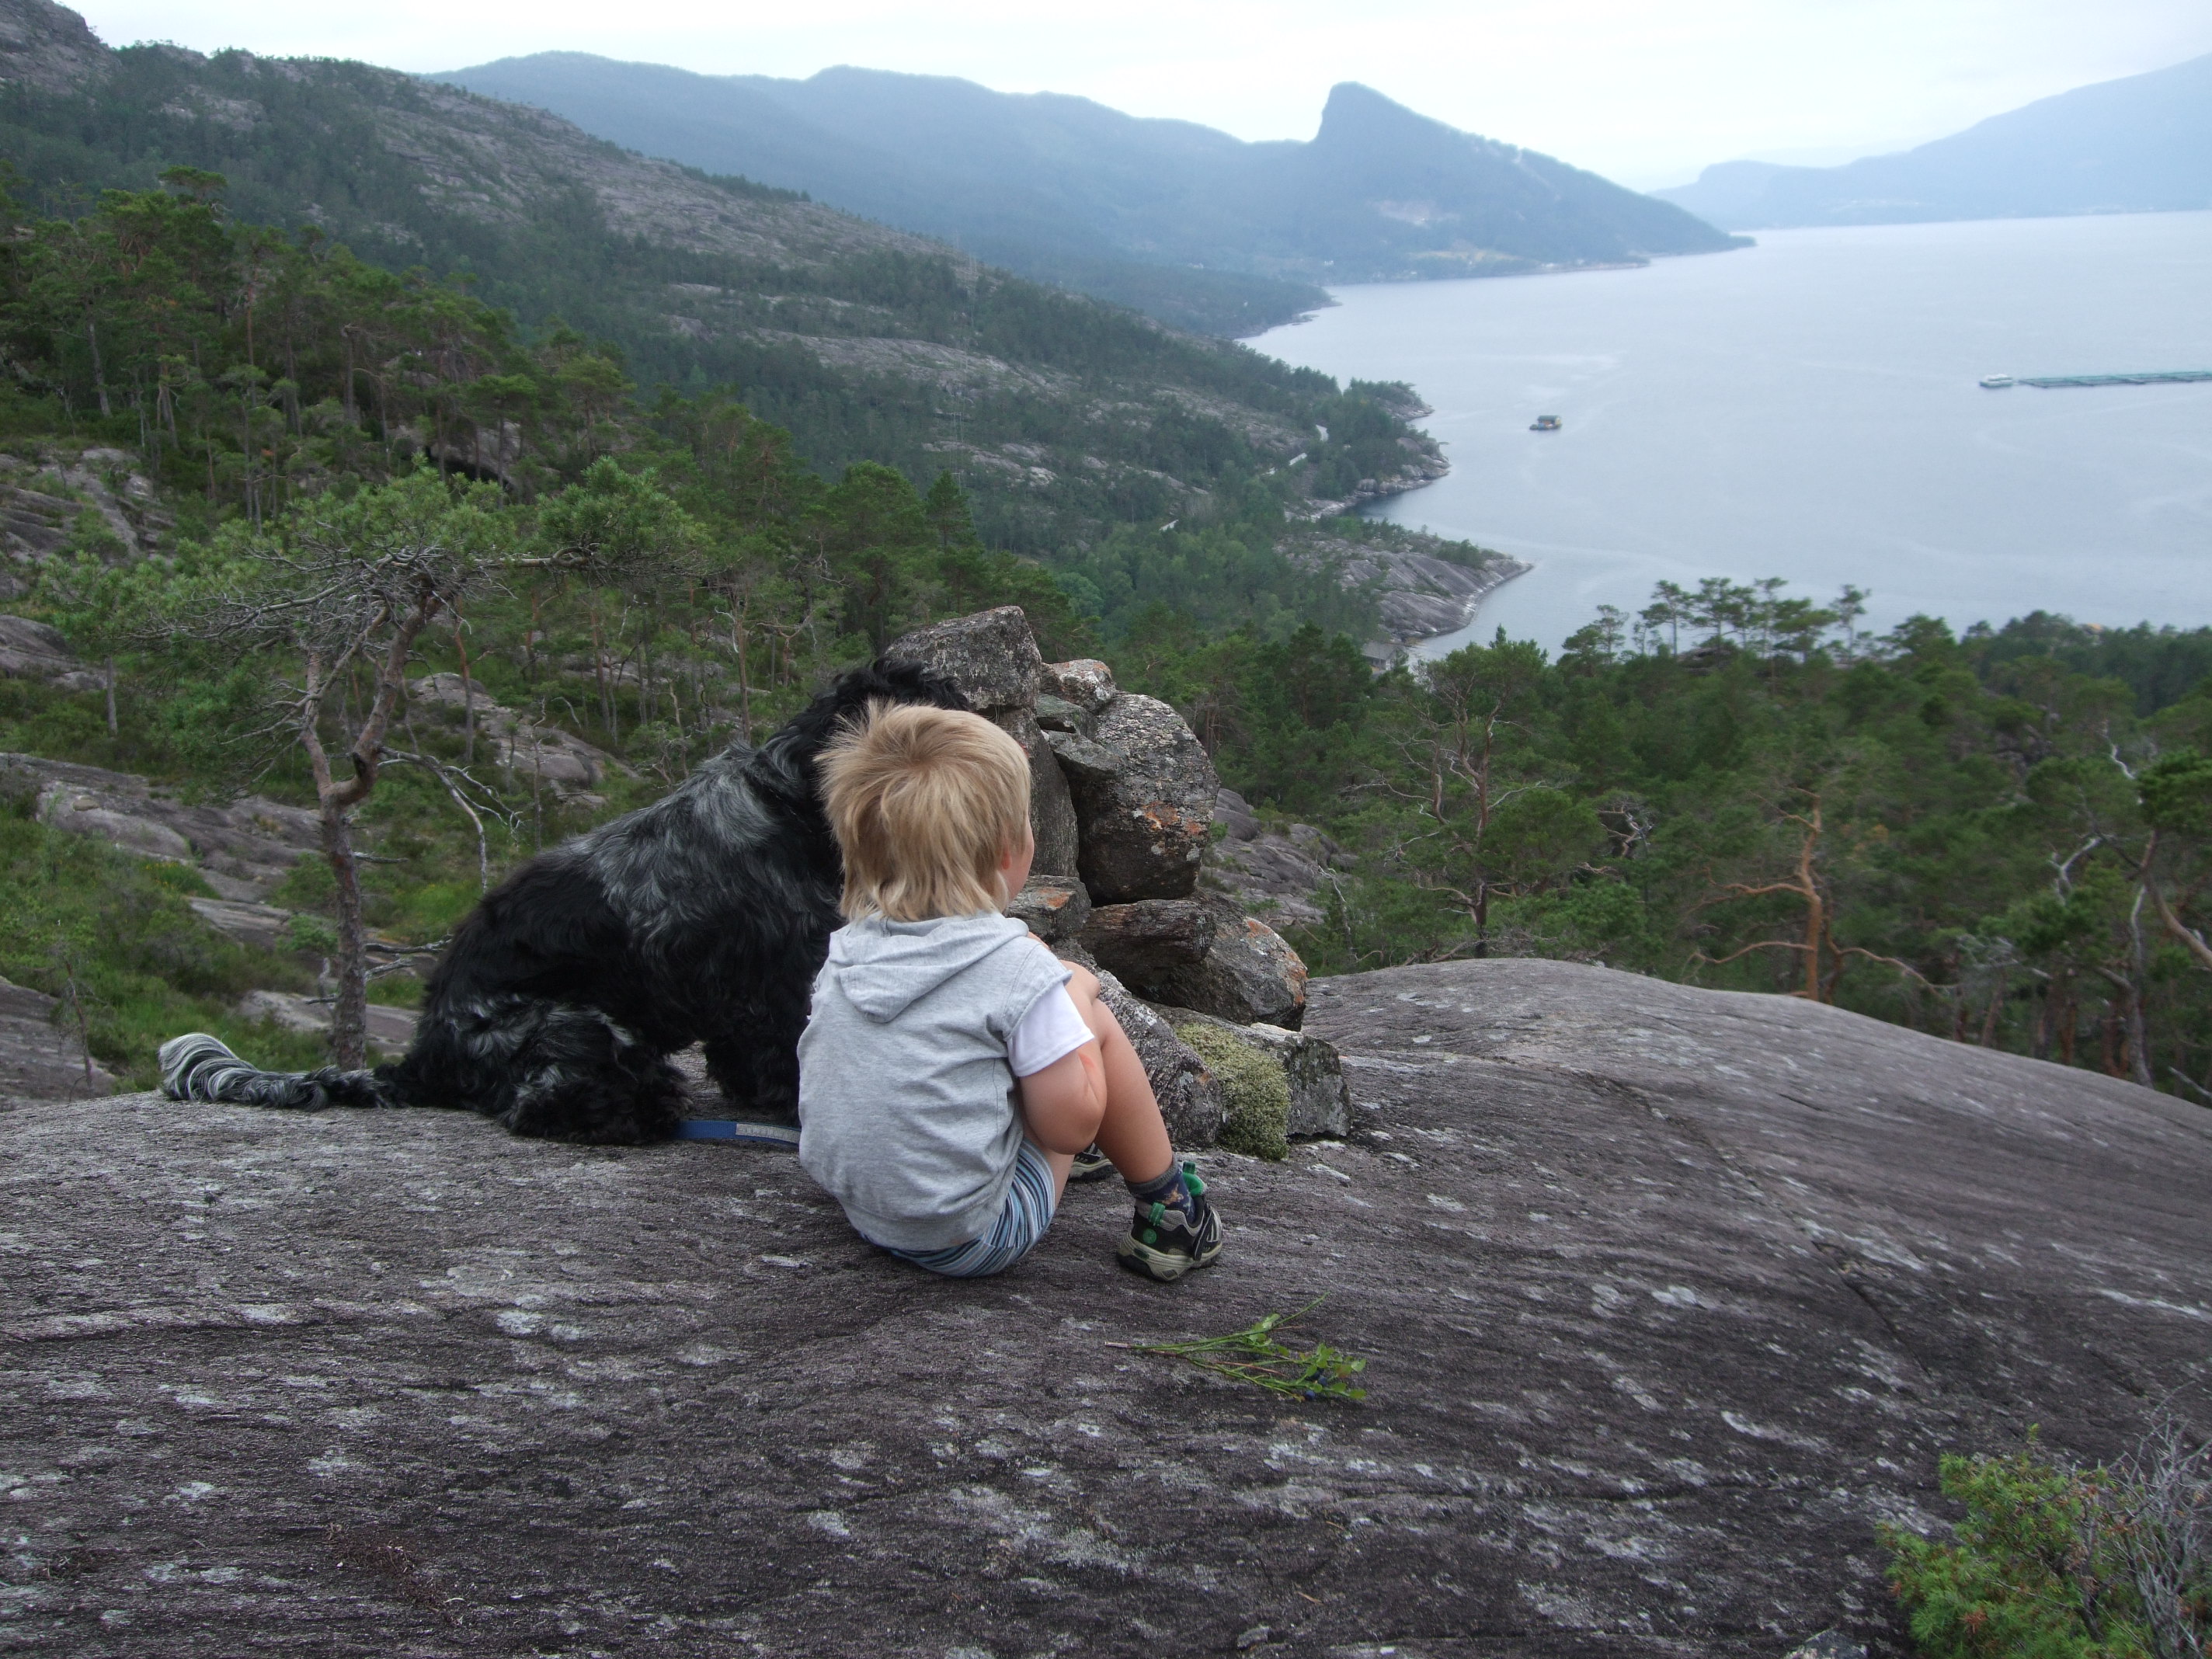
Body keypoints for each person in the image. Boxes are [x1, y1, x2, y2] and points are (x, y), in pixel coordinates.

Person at [796, 701, 1223, 1282]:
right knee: (1086, 1008)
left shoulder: (847, 951)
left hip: (867, 1211)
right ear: (1006, 849)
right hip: (972, 1236)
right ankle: (1173, 1212)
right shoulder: (1017, 970)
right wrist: (1069, 994)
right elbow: (1069, 1129)